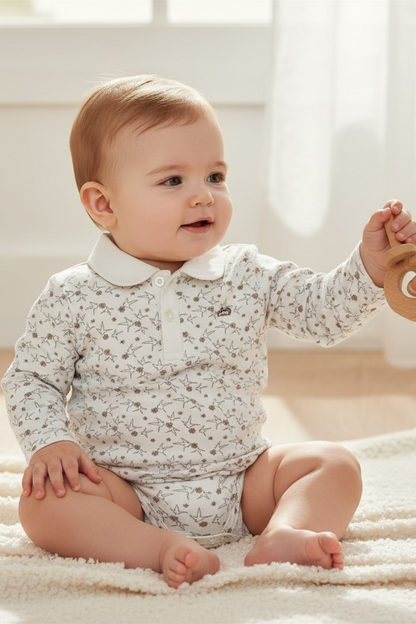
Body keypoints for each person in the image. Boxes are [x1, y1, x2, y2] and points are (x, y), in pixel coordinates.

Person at [2, 75, 416, 590]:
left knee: (335, 464)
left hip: (244, 481)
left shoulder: (247, 273)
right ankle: (155, 548)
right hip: (126, 491)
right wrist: (51, 442)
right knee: (43, 506)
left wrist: (372, 267)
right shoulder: (73, 296)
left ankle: (287, 531)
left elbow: (323, 313)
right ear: (103, 204)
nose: (204, 197)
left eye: (215, 176)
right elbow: (31, 381)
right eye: (173, 181)